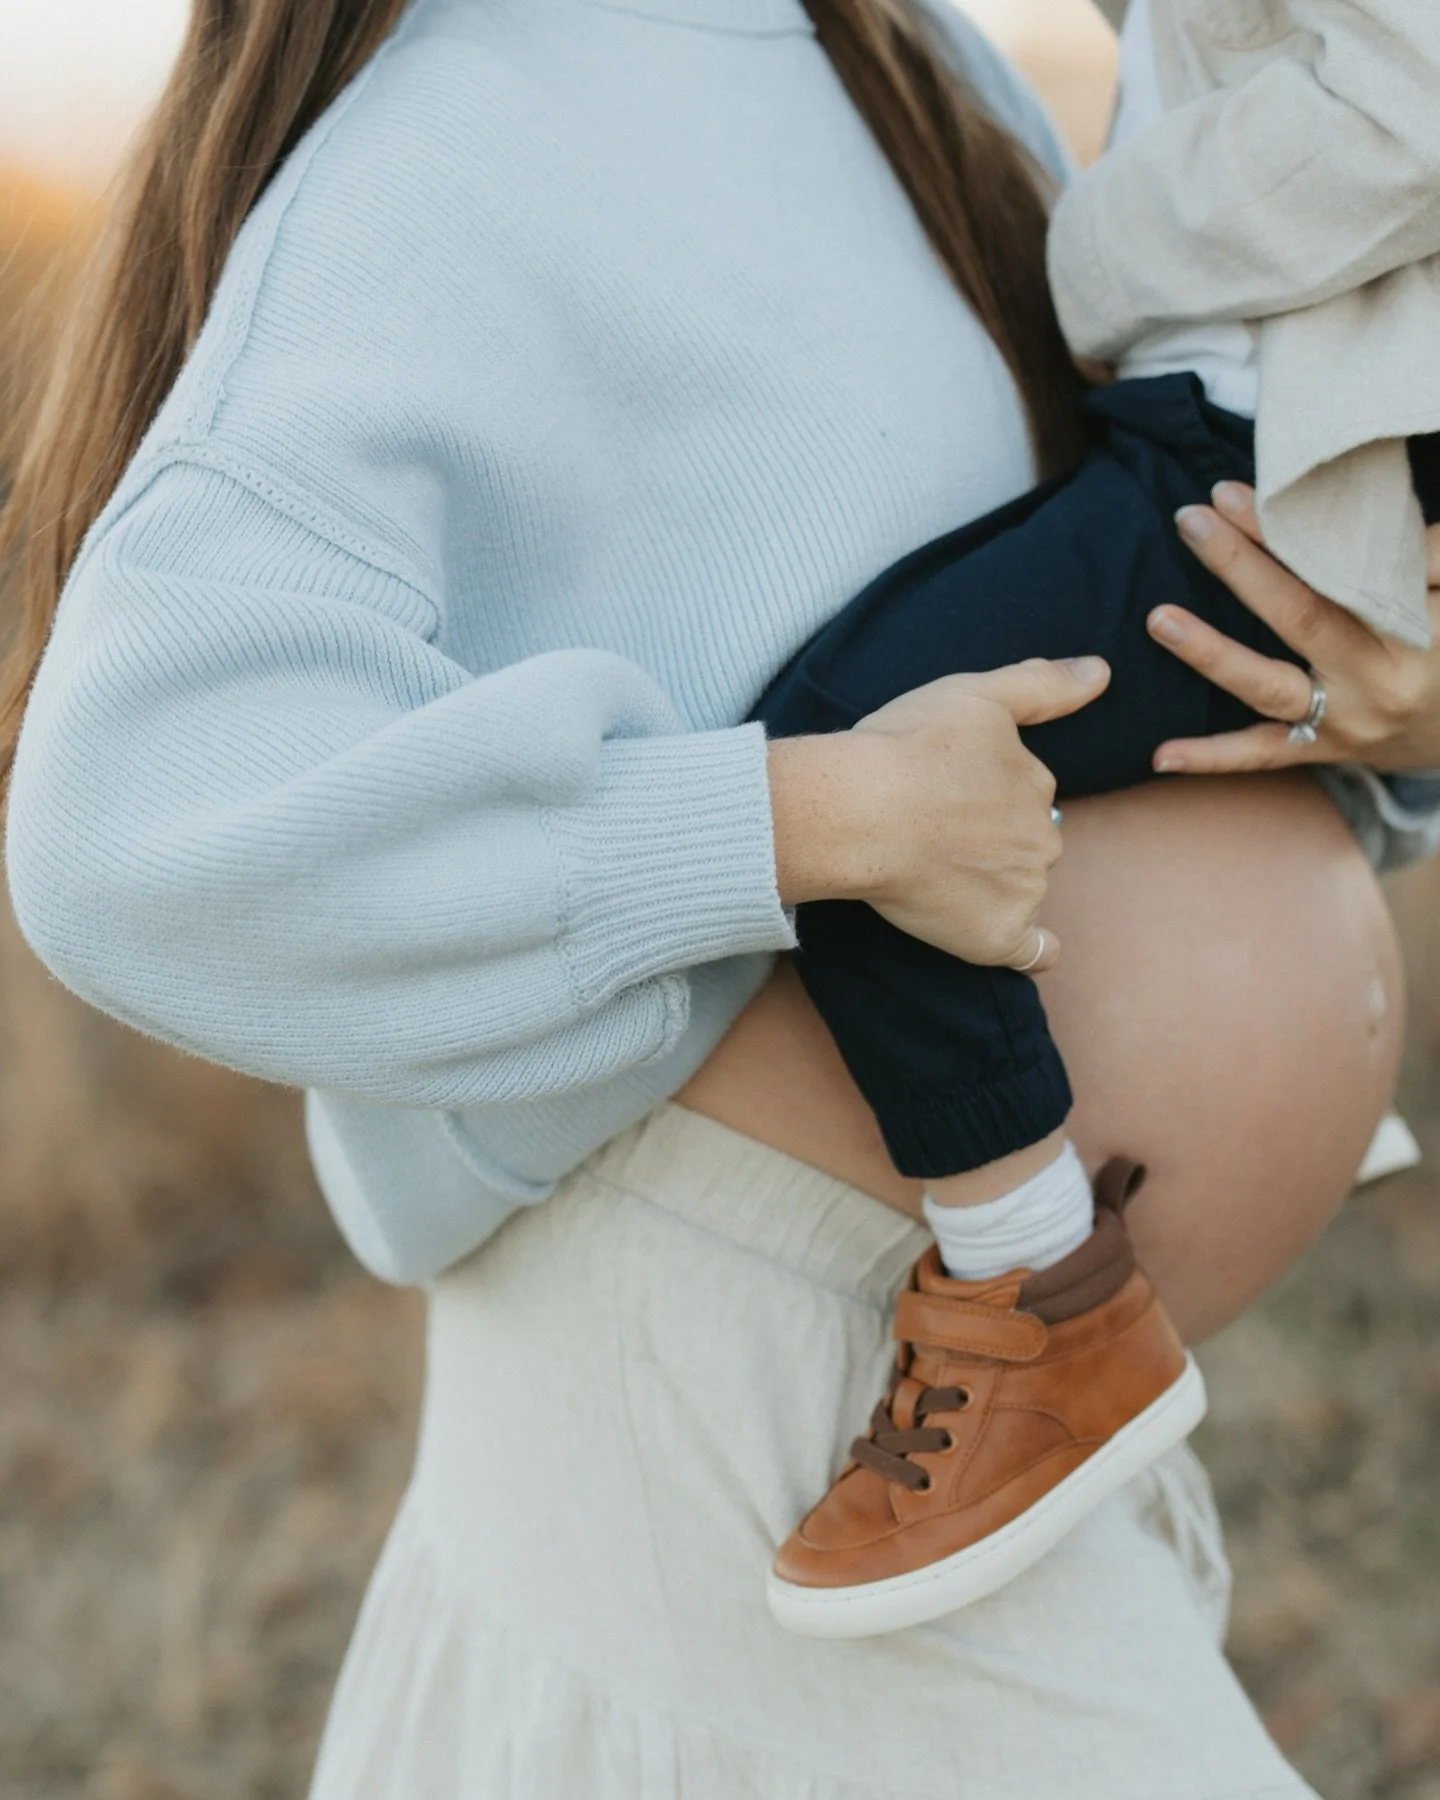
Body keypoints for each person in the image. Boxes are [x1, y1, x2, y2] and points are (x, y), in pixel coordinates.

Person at [4, 0, 1440, 1792]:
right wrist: (794, 818)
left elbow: (1089, 593)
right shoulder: (434, 159)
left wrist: (1377, 718)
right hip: (724, 1369)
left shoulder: (903, 56)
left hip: (944, 1395)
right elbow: (129, 830)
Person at [751, 0, 1440, 1634]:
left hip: (1274, 453)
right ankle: (1233, 1087)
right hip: (1261, 424)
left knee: (864, 765)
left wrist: (1100, 240)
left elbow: (1415, 103)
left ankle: (1035, 1291)